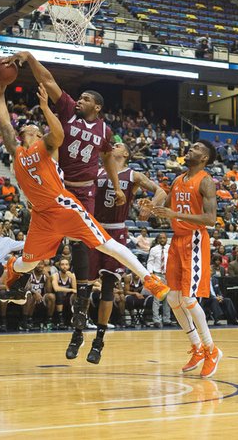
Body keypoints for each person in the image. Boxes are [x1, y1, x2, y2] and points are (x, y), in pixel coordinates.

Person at [0, 77, 170, 358]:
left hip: (64, 206)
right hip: (42, 215)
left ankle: (149, 278)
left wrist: (46, 107)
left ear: (38, 136)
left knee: (105, 244)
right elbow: (4, 126)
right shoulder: (17, 152)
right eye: (25, 127)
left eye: (32, 127)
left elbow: (59, 135)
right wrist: (0, 94)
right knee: (28, 262)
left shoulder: (45, 147)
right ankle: (15, 277)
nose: (26, 127)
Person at [0, 51, 132, 355]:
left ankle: (79, 327)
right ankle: (24, 278)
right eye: (80, 97)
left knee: (82, 253)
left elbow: (108, 156)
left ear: (96, 107)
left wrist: (114, 185)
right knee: (51, 248)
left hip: (84, 194)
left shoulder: (105, 131)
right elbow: (47, 79)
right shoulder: (68, 109)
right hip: (55, 188)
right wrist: (30, 59)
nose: (79, 99)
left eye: (86, 98)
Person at [85, 141, 167, 363]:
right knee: (84, 283)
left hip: (116, 230)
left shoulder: (134, 175)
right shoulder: (97, 170)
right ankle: (77, 331)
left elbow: (161, 192)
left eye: (118, 145)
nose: (114, 146)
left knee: (109, 287)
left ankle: (99, 341)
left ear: (126, 153)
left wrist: (150, 206)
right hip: (94, 227)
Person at [152, 141, 223, 378]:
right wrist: (153, 209)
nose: (190, 149)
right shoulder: (178, 179)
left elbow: (211, 219)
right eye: (190, 146)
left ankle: (211, 350)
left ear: (204, 158)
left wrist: (175, 214)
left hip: (194, 240)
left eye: (196, 148)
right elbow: (168, 207)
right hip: (177, 239)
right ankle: (196, 346)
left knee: (189, 299)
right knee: (173, 298)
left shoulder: (205, 181)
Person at [146, 233, 172, 328]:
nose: (162, 239)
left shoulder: (171, 248)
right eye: (160, 238)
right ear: (158, 239)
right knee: (157, 299)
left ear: (166, 239)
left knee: (167, 299)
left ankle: (166, 319)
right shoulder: (153, 249)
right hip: (157, 275)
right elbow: (150, 262)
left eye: (164, 238)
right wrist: (150, 274)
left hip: (168, 275)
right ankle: (156, 320)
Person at [51, 258, 77, 329]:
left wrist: (73, 278)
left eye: (66, 264)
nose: (64, 266)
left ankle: (75, 318)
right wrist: (70, 289)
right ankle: (60, 320)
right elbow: (56, 288)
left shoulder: (72, 275)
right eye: (62, 264)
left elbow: (75, 290)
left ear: (69, 266)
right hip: (57, 297)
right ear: (59, 266)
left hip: (68, 297)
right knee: (59, 293)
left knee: (76, 295)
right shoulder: (55, 275)